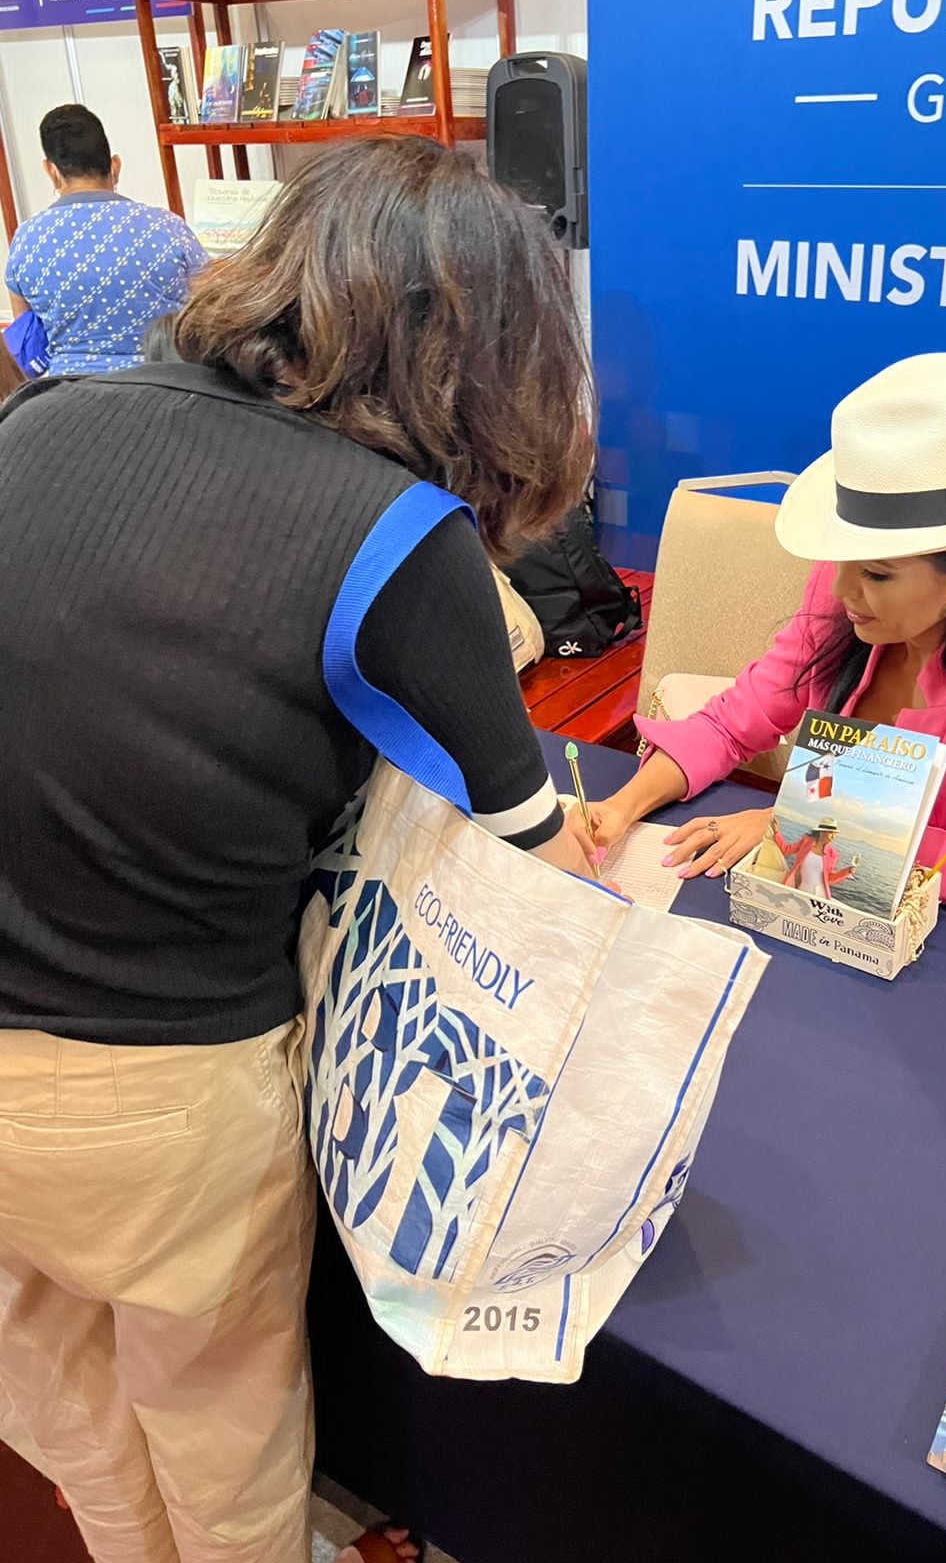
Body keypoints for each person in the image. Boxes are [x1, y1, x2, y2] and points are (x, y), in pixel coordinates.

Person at [0, 135, 595, 1563]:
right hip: (156, 1078)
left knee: (56, 1390)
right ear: (496, 363)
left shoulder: (45, 418)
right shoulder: (396, 535)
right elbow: (526, 835)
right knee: (224, 1429)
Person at [582, 353, 946, 914]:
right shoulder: (842, 589)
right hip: (844, 898)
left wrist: (792, 830)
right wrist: (622, 808)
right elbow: (734, 720)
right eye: (841, 559)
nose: (840, 588)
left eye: (876, 574)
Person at [4, 105, 206, 376]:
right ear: (115, 166)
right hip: (164, 386)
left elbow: (26, 337)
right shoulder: (167, 227)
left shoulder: (26, 241)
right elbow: (208, 312)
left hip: (66, 396)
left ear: (51, 171)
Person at [774, 817, 858, 895]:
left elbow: (829, 878)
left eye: (835, 833)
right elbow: (786, 850)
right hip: (802, 889)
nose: (834, 836)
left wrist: (847, 871)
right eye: (831, 833)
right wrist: (776, 833)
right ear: (822, 832)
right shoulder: (806, 842)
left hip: (820, 894)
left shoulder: (832, 854)